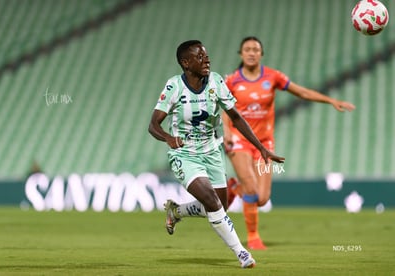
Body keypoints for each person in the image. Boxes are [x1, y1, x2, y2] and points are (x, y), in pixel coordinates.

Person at [148, 40, 285, 268]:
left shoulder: (216, 81)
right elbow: (153, 125)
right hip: (185, 155)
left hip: (212, 152)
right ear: (185, 63)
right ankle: (242, 253)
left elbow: (237, 118)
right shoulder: (174, 87)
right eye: (200, 57)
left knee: (219, 206)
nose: (207, 60)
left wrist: (261, 148)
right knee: (212, 201)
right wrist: (169, 138)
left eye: (207, 55)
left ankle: (176, 211)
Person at [222, 36, 356, 250]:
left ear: (261, 54)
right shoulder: (231, 80)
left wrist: (331, 101)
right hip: (239, 140)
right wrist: (227, 131)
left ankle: (234, 189)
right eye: (247, 49)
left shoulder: (272, 76)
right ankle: (253, 237)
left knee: (262, 198)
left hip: (264, 143)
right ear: (241, 53)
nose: (251, 52)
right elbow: (224, 107)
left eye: (256, 49)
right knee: (251, 187)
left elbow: (302, 92)